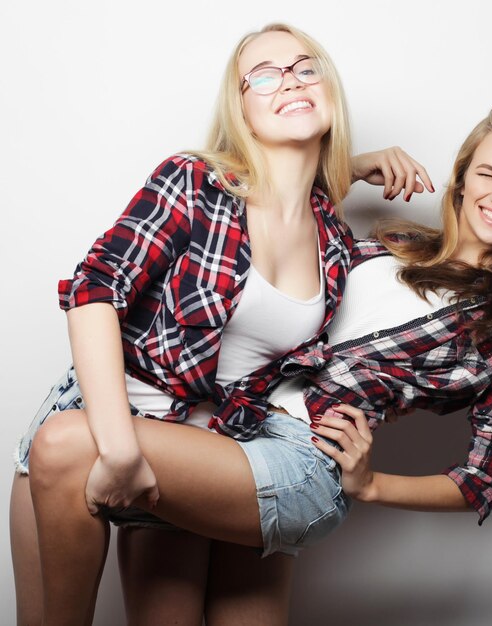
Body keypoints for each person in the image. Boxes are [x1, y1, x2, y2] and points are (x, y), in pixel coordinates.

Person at [9, 22, 431, 626]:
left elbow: (303, 189)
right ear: (241, 108)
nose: (289, 79)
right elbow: (94, 288)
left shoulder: (331, 236)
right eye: (264, 74)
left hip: (196, 449)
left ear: (329, 89)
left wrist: (359, 164)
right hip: (92, 439)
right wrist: (120, 450)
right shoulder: (195, 183)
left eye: (305, 67)